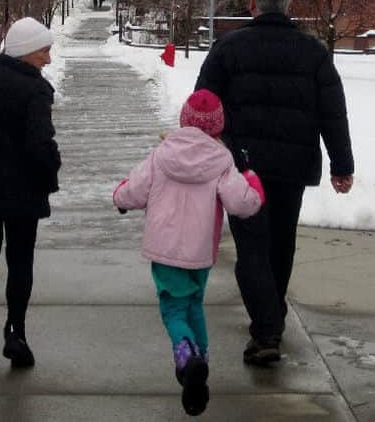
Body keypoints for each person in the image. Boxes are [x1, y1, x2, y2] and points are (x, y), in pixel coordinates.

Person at [194, 0, 354, 367]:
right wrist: (342, 164)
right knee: (281, 245)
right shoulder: (314, 52)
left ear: (252, 3)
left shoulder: (228, 49)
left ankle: (266, 328)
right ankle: (272, 316)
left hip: (241, 168)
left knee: (252, 249)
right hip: (292, 168)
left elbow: (203, 105)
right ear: (289, 3)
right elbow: (333, 113)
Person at [113, 89, 265, 416]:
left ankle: (186, 357)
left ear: (184, 120)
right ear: (218, 127)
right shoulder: (223, 162)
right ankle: (202, 362)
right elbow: (243, 203)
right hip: (200, 252)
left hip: (165, 250)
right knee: (194, 303)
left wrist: (119, 195)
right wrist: (252, 180)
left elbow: (134, 191)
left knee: (173, 310)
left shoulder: (162, 154)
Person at [0, 16, 61, 368]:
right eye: (43, 52)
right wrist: (52, 169)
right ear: (25, 51)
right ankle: (15, 333)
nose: (48, 59)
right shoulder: (35, 90)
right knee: (20, 260)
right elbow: (40, 143)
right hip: (23, 190)